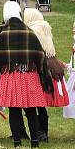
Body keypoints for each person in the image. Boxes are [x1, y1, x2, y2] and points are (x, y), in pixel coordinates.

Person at [0, 1, 52, 149]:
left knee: (14, 110)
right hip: (29, 75)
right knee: (31, 109)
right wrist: (43, 74)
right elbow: (40, 55)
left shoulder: (3, 34)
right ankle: (34, 142)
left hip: (10, 76)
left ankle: (17, 142)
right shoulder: (29, 32)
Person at [23, 8, 69, 142]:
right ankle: (43, 130)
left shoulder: (33, 30)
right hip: (50, 65)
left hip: (40, 68)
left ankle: (40, 131)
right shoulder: (45, 28)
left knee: (36, 102)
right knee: (41, 104)